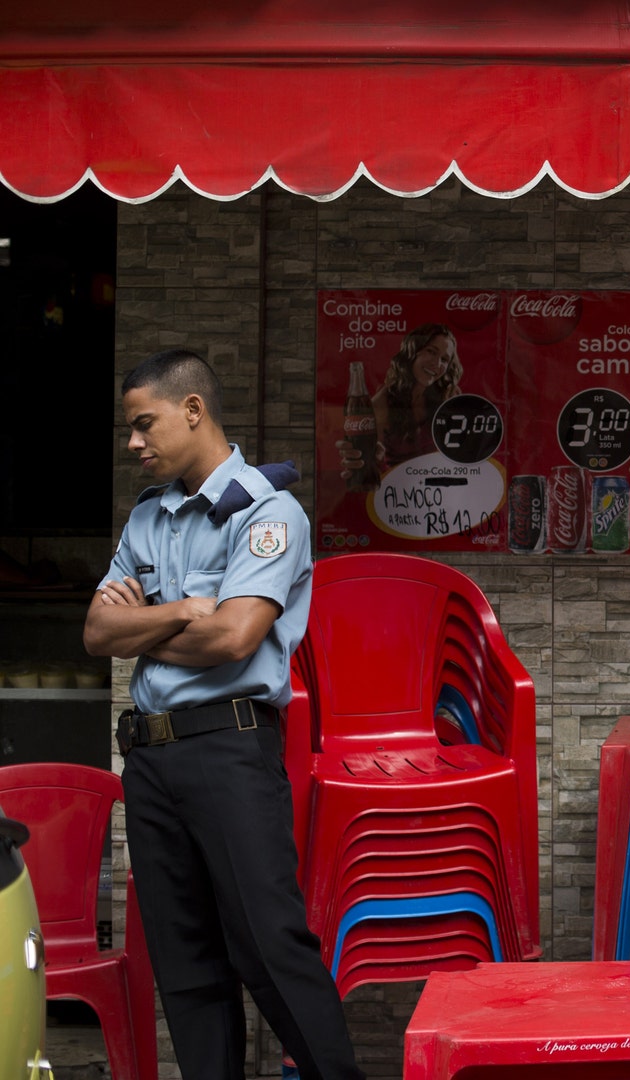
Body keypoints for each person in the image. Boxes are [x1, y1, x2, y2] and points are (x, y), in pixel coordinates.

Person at [83, 350, 362, 1079]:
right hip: (149, 761)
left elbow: (234, 638)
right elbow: (96, 634)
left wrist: (147, 624)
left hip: (228, 752)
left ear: (194, 411)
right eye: (129, 429)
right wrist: (181, 612)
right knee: (186, 967)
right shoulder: (148, 517)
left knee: (270, 947)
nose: (133, 443)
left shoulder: (269, 515)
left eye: (144, 424)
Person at [337, 322, 463, 478]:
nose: (437, 364)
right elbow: (369, 464)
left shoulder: (448, 396)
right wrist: (372, 459)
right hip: (397, 490)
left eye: (444, 359)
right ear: (412, 351)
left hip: (438, 487)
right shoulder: (382, 404)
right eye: (431, 351)